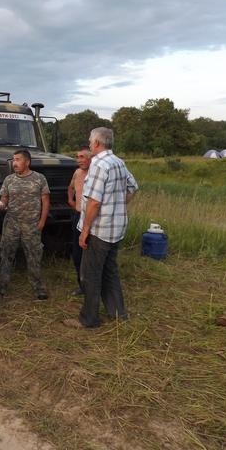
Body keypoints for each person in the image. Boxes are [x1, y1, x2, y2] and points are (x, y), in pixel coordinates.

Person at [76, 127, 138, 328]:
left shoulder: (99, 164)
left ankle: (89, 319)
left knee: (91, 275)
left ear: (96, 143)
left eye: (90, 140)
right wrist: (118, 204)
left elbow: (94, 202)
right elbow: (133, 187)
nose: (89, 143)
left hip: (100, 230)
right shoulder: (119, 162)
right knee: (110, 271)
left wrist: (85, 230)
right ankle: (118, 314)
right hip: (116, 228)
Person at [0, 149, 50, 300]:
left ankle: (39, 288)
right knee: (6, 255)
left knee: (34, 256)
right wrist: (0, 205)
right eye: (13, 160)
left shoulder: (39, 178)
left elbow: (45, 202)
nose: (14, 163)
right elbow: (4, 200)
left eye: (18, 159)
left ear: (27, 162)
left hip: (31, 225)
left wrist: (42, 222)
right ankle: (1, 288)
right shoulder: (9, 179)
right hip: (11, 224)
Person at [67, 145, 92, 295]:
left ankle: (94, 286)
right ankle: (82, 286)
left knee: (91, 254)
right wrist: (71, 200)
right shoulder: (77, 172)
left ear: (91, 158)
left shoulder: (95, 174)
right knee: (77, 254)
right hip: (77, 216)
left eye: (82, 157)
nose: (79, 160)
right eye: (77, 157)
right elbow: (71, 187)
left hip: (91, 218)